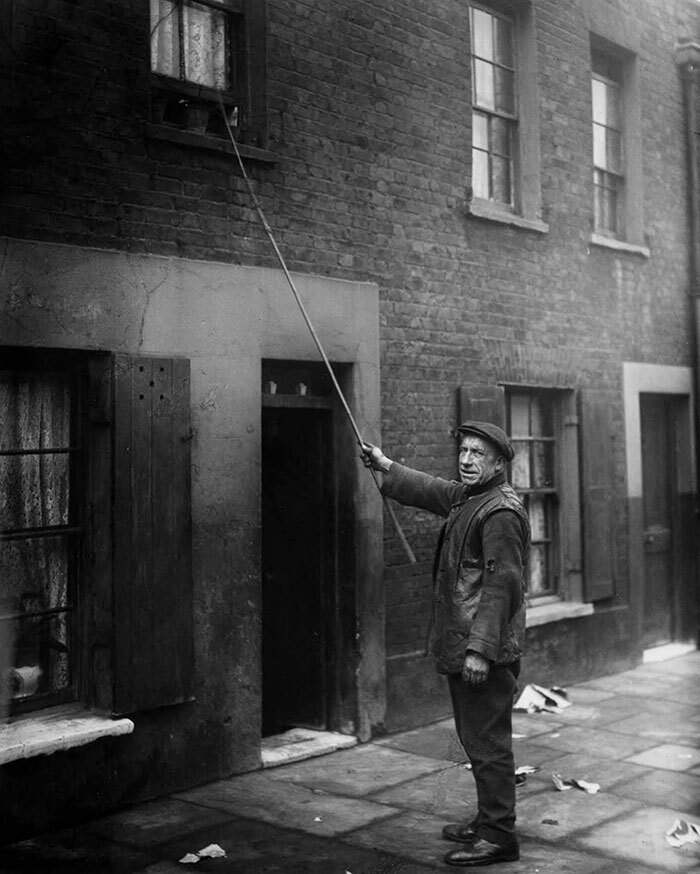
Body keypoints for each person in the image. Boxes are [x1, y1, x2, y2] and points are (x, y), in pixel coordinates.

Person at [362, 422, 530, 868]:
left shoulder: (500, 512)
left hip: (484, 651)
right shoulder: (471, 497)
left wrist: (480, 650)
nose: (467, 459)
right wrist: (385, 465)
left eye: (478, 454)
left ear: (499, 463)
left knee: (488, 744)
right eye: (464, 450)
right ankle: (489, 820)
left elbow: (503, 585)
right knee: (477, 739)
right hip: (470, 645)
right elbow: (433, 489)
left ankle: (499, 836)